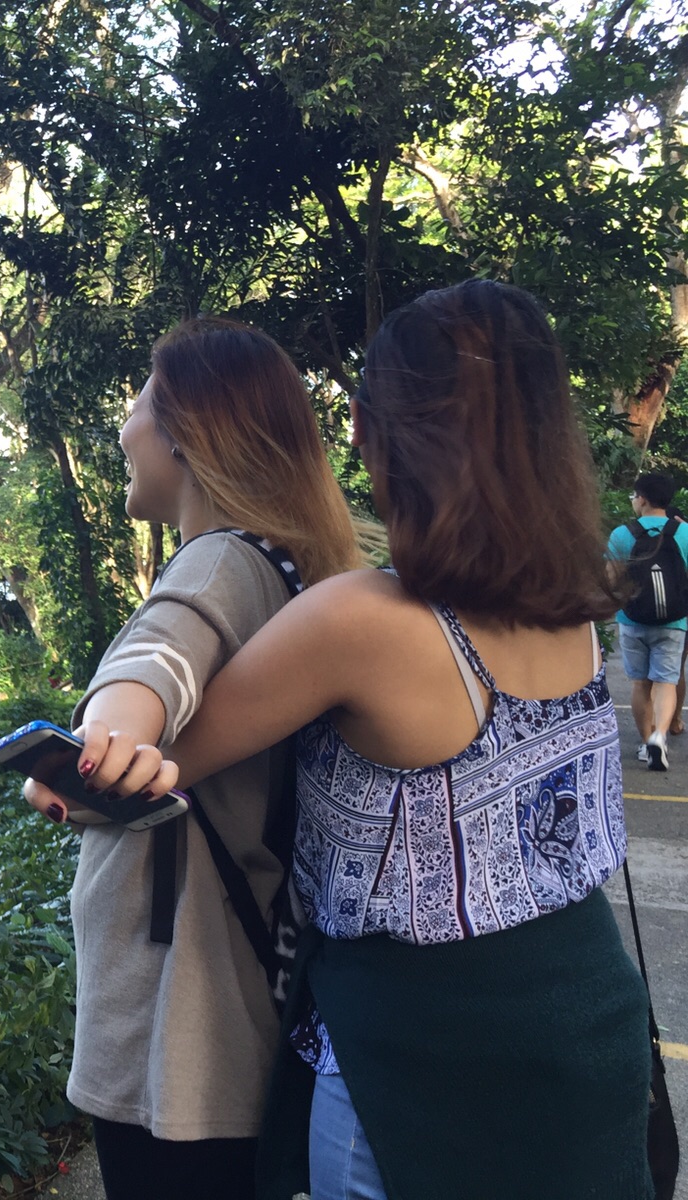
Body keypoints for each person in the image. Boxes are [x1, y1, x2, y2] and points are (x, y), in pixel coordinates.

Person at [84, 281, 651, 1199]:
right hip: (587, 1028)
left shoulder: (361, 621)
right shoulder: (575, 613)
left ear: (375, 431)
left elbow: (151, 755)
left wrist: (101, 740)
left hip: (422, 1066)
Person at [21, 318, 362, 1200]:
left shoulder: (219, 563)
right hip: (241, 1008)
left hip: (177, 1040)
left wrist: (112, 732)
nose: (123, 425)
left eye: (138, 400)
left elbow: (158, 658)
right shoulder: (293, 572)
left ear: (185, 431)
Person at [609, 472, 688, 769]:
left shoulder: (622, 534)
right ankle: (660, 737)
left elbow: (611, 580)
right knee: (666, 682)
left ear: (641, 499)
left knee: (640, 683)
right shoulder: (684, 533)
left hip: (633, 619)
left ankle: (646, 742)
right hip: (674, 622)